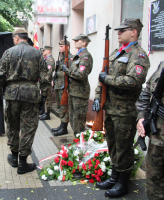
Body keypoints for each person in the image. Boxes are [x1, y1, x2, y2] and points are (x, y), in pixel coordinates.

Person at [92, 18, 150, 198]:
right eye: (118, 30)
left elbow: (134, 81)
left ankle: (123, 183)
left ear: (134, 32)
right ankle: (114, 176)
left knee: (124, 147)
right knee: (113, 145)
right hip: (110, 108)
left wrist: (107, 79)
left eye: (123, 30)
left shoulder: (138, 55)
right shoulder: (117, 52)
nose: (118, 32)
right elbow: (103, 74)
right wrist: (97, 97)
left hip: (125, 111)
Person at [0, 28, 49, 174]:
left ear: (17, 38)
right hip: (31, 95)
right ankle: (23, 162)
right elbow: (45, 77)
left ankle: (13, 157)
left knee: (12, 126)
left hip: (11, 94)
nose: (13, 41)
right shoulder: (37, 53)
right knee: (28, 128)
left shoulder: (8, 52)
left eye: (13, 39)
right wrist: (44, 96)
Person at [136, 60, 164, 200]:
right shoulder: (162, 65)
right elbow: (147, 90)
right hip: (157, 137)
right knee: (153, 182)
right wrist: (141, 117)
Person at [62, 34, 93, 137]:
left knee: (78, 120)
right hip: (73, 91)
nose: (75, 42)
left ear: (84, 42)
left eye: (77, 40)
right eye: (74, 40)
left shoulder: (85, 56)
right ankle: (77, 140)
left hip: (80, 93)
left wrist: (67, 71)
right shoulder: (78, 56)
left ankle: (80, 144)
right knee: (73, 119)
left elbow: (81, 74)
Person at [52, 40, 73, 136]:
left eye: (61, 46)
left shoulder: (70, 58)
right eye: (59, 46)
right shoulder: (61, 58)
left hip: (64, 86)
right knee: (60, 106)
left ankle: (64, 127)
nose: (59, 48)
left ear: (67, 47)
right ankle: (61, 124)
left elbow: (70, 73)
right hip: (58, 85)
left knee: (64, 107)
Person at [39, 46, 55, 120]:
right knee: (44, 97)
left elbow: (49, 72)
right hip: (44, 82)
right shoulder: (46, 59)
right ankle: (44, 112)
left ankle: (47, 114)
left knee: (48, 98)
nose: (43, 52)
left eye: (44, 50)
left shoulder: (50, 60)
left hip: (47, 83)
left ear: (48, 51)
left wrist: (44, 79)